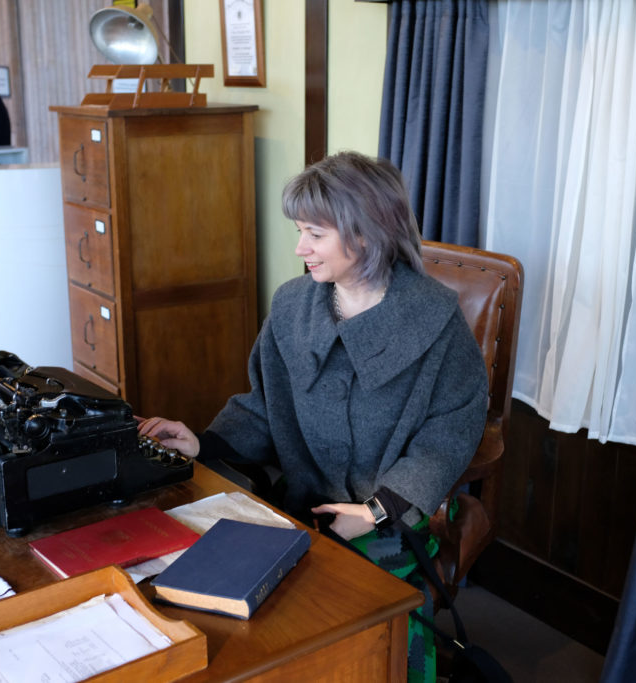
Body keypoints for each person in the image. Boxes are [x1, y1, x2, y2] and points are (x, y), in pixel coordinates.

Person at [139, 151, 488, 682]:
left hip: (390, 519)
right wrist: (203, 444)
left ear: (366, 234)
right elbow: (264, 403)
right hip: (299, 506)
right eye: (300, 231)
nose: (300, 248)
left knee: (368, 630)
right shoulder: (292, 305)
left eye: (314, 234)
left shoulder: (434, 318)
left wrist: (373, 511)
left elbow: (450, 431)